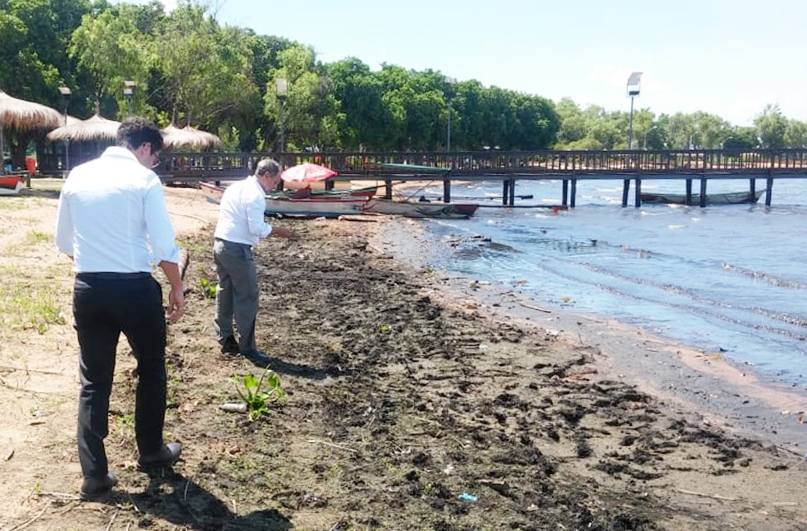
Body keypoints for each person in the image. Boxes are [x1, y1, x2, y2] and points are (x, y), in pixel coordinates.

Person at [54, 116, 185, 500]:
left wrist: (97, 256)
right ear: (144, 148)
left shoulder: (77, 176)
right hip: (133, 289)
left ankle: (94, 474)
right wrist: (177, 287)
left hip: (89, 287)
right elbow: (163, 245)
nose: (153, 163)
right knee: (151, 368)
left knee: (94, 381)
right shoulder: (144, 180)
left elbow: (63, 241)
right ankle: (150, 451)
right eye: (155, 156)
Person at [213, 158, 294, 366]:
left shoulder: (236, 187)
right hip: (237, 249)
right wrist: (279, 231)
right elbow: (257, 228)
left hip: (221, 243)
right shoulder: (256, 195)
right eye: (275, 182)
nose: (275, 186)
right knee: (247, 297)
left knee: (225, 290)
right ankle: (248, 347)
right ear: (266, 175)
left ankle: (225, 337)